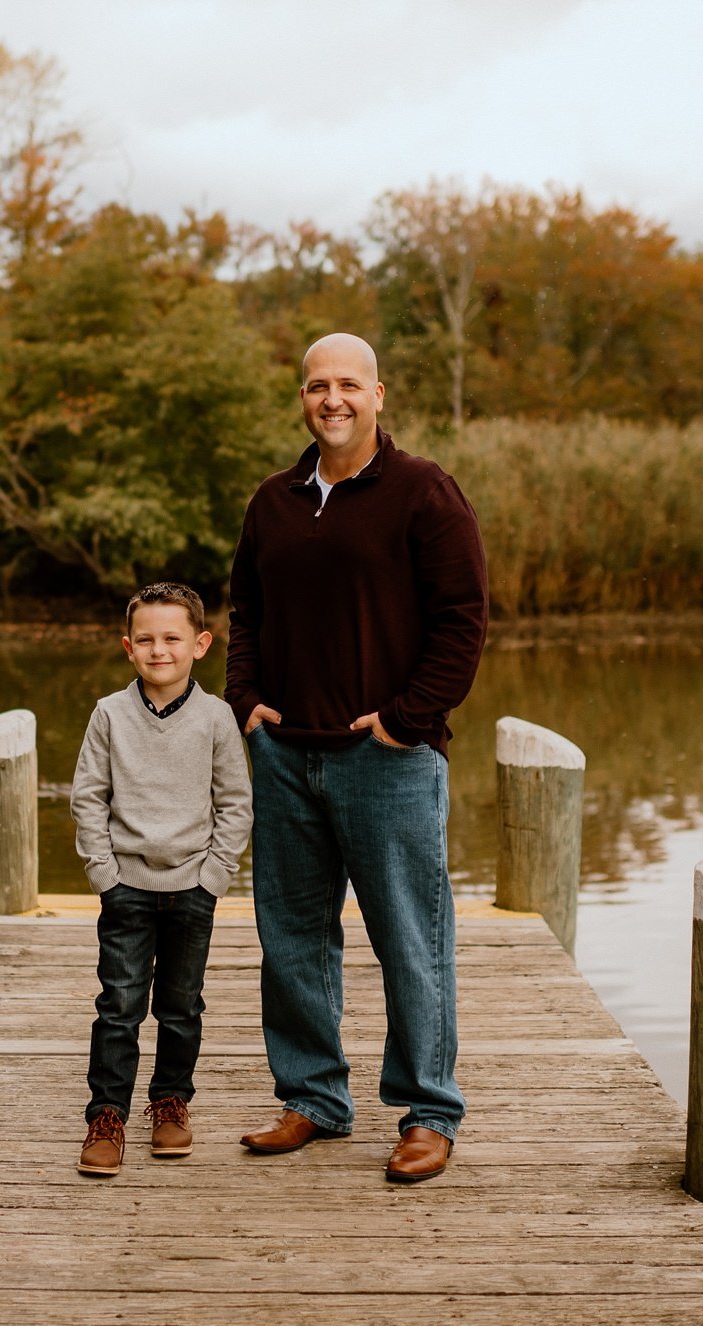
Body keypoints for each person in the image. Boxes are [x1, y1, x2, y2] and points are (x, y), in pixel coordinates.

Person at [225, 332, 489, 1183]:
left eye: (347, 384)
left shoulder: (423, 492)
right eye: (315, 386)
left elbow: (462, 621)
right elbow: (245, 613)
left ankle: (428, 1111)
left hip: (388, 760)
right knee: (293, 938)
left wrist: (408, 720)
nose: (330, 399)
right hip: (286, 756)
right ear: (302, 398)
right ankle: (313, 1098)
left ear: (380, 394)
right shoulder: (273, 501)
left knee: (411, 939)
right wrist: (245, 704)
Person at [70, 581, 253, 1176]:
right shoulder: (109, 715)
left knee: (181, 1006)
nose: (159, 650)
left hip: (192, 888)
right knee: (119, 1005)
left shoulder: (217, 718)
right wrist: (104, 874)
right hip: (125, 885)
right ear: (128, 647)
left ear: (200, 644)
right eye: (145, 640)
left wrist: (214, 878)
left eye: (172, 638)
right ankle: (108, 1114)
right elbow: (88, 798)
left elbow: (235, 804)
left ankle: (170, 1101)